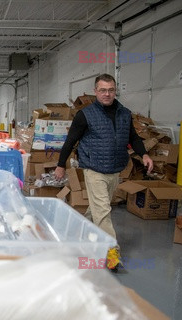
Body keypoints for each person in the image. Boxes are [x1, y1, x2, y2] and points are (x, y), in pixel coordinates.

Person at [54, 73, 153, 271]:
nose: (107, 94)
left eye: (110, 90)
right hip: (94, 169)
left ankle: (76, 234)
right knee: (103, 211)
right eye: (102, 90)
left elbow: (133, 137)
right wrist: (60, 164)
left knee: (97, 210)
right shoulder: (85, 115)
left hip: (115, 169)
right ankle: (111, 253)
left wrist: (144, 155)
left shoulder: (124, 113)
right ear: (95, 91)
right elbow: (70, 141)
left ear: (115, 91)